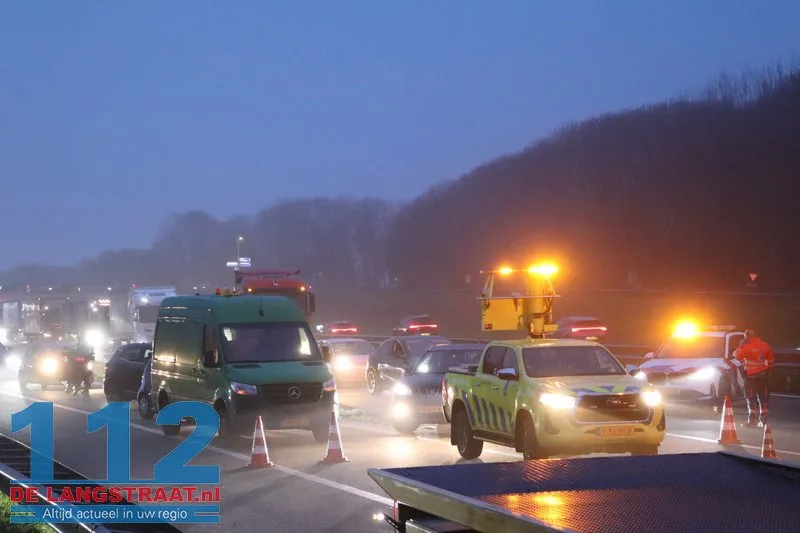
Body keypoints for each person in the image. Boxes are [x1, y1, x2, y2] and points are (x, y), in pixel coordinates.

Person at [734, 329, 775, 427]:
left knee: (751, 398)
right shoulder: (765, 345)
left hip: (750, 376)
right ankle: (764, 420)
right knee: (763, 399)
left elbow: (737, 356)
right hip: (763, 376)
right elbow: (770, 360)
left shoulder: (746, 347)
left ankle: (752, 421)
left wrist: (740, 346)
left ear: (747, 337)